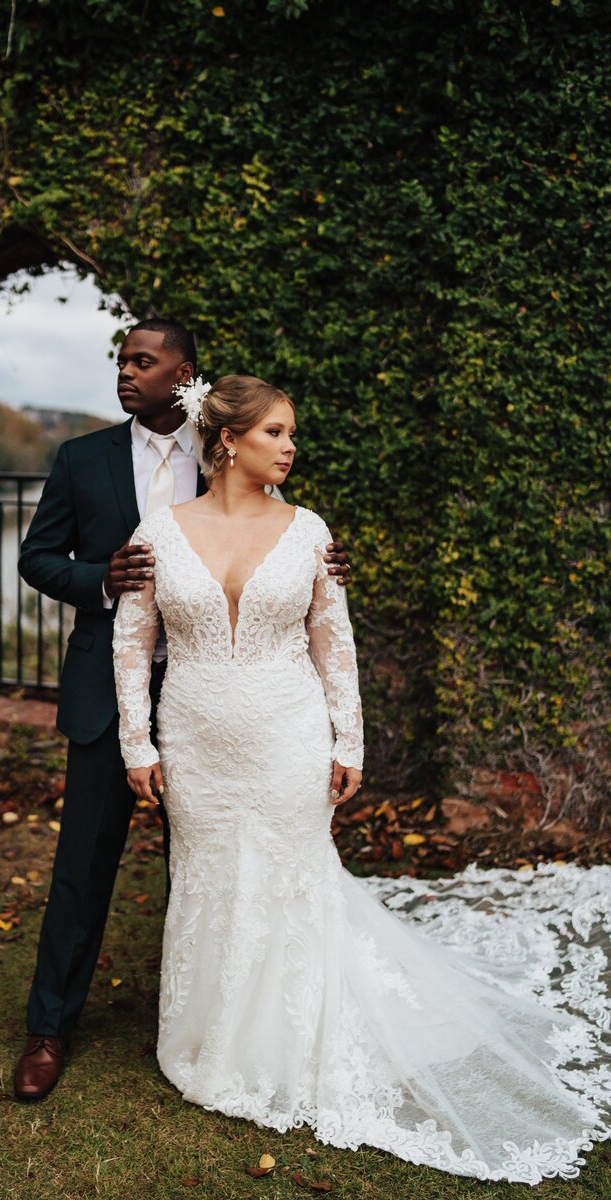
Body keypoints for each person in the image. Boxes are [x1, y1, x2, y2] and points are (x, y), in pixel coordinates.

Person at [112, 373, 611, 1184]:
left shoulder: (311, 531)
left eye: (292, 434)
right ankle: (208, 1037)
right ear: (229, 440)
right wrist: (138, 744)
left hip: (289, 730)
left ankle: (290, 1035)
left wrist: (352, 741)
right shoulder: (158, 531)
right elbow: (133, 644)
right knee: (206, 876)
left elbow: (332, 642)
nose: (291, 447)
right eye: (277, 432)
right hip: (196, 735)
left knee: (291, 876)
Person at [12, 321, 353, 1101]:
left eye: (142, 361)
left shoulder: (228, 459)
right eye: (121, 362)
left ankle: (220, 1018)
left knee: (212, 868)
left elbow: (283, 542)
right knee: (83, 868)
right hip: (116, 692)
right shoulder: (82, 458)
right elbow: (36, 556)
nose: (126, 374)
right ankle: (48, 1028)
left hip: (236, 705)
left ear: (184, 374)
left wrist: (328, 561)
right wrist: (100, 576)